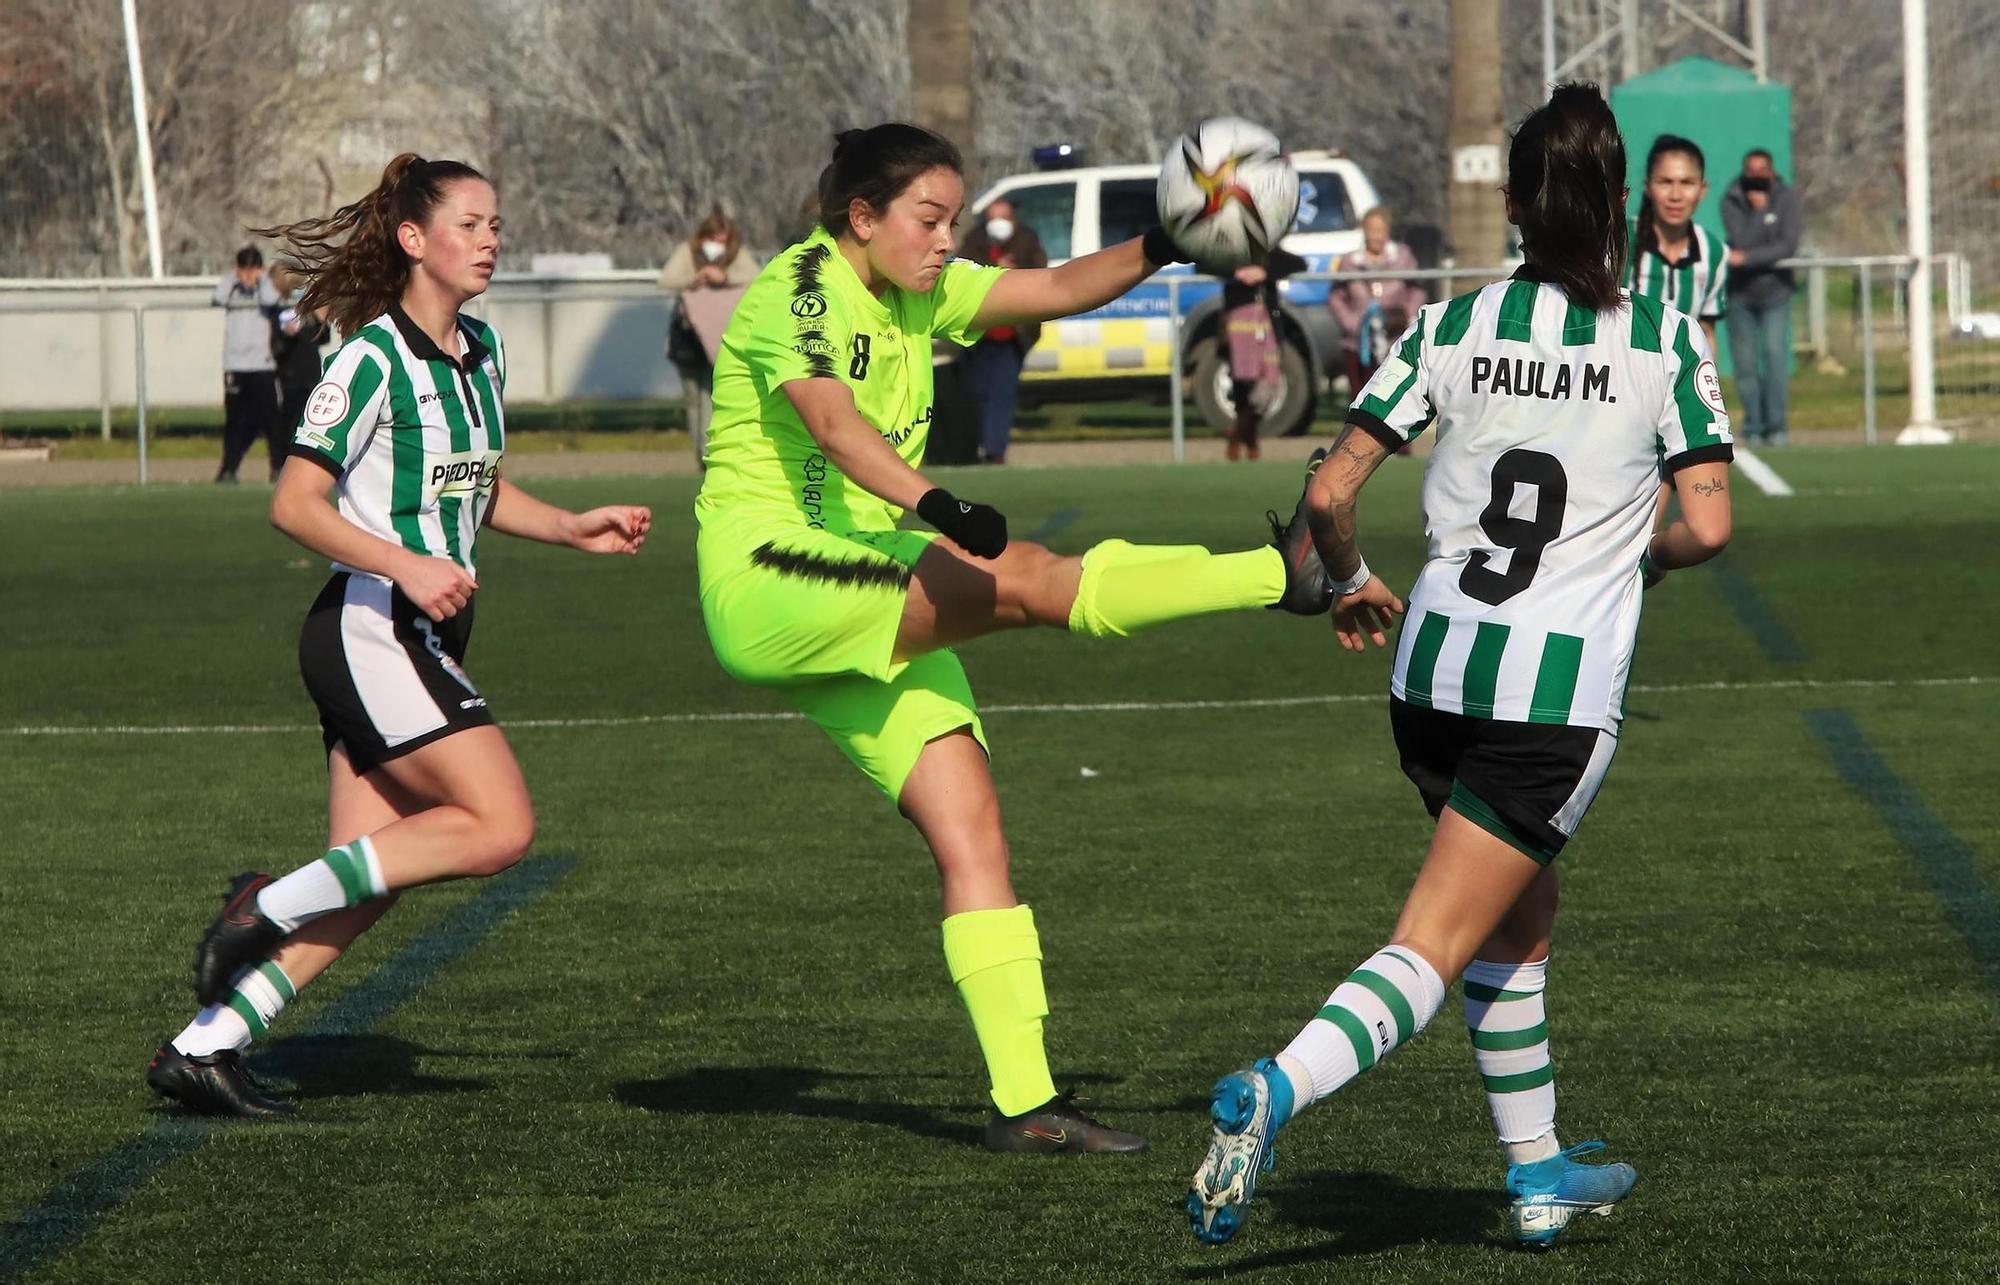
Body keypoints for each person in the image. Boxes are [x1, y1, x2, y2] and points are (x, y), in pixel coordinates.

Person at [695, 122, 1336, 1155]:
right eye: (928, 219)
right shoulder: (802, 290)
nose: (947, 239)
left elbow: (1046, 291)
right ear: (861, 217)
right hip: (773, 577)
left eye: (953, 219)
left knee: (973, 831)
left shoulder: (914, 284)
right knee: (1031, 580)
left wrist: (1162, 243)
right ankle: (1281, 576)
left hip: (863, 577)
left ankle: (1025, 1103)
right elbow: (831, 426)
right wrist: (936, 501)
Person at [1188, 83, 1734, 1248]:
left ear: (1517, 207)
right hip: (1551, 697)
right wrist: (1628, 552)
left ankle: (1537, 1174)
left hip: (1427, 675)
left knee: (1516, 917)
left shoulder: (1447, 325)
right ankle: (1273, 1089)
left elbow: (1328, 491)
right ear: (1619, 203)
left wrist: (1347, 579)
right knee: (1434, 939)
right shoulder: (1660, 340)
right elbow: (1706, 522)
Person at [145, 153, 653, 1118]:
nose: (492, 241)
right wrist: (401, 563)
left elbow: (477, 483)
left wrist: (569, 523)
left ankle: (205, 1044)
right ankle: (263, 903)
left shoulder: (483, 352)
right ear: (415, 241)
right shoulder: (370, 355)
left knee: (374, 874)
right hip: (372, 629)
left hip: (424, 634)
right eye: (471, 224)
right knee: (502, 826)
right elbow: (295, 503)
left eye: (497, 224)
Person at [659, 212, 761, 466]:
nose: (717, 243)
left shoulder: (736, 254)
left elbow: (756, 277)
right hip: (689, 337)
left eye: (722, 238)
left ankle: (708, 453)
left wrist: (724, 279)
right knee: (692, 398)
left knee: (711, 396)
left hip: (721, 336)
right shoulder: (687, 253)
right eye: (712, 237)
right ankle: (698, 452)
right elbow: (666, 279)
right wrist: (696, 278)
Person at [954, 198, 1049, 463]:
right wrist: (995, 269)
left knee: (1002, 393)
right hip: (979, 333)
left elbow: (1040, 271)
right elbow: (963, 268)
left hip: (1013, 334)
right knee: (977, 392)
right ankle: (975, 446)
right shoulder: (976, 240)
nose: (999, 223)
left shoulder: (1027, 239)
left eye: (1003, 217)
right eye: (994, 217)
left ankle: (995, 450)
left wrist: (1014, 272)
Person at [1720, 148, 1802, 445]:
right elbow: (1738, 241)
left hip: (1775, 293)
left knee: (1775, 357)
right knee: (1745, 366)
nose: (1756, 177)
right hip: (1740, 295)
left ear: (1772, 172)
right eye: (1750, 171)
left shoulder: (1786, 198)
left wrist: (1749, 257)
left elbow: (1787, 245)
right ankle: (1754, 426)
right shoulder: (1732, 198)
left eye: (1761, 170)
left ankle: (1776, 426)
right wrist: (1759, 213)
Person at [1631, 135, 1727, 353]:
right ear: (1647, 187)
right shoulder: (1619, 240)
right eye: (1665, 182)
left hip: (1677, 383)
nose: (1675, 195)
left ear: (1703, 190)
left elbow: (1706, 333)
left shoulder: (1713, 252)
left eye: (1687, 183)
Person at [1216, 247, 1307, 459]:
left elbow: (1298, 263)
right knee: (1243, 383)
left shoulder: (1268, 249)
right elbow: (1205, 265)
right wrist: (1236, 273)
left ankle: (1238, 432)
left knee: (1270, 383)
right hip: (1238, 325)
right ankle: (1250, 439)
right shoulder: (1228, 249)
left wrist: (1264, 272)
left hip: (1267, 326)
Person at [1328, 207, 1426, 401]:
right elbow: (1336, 296)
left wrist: (1407, 316)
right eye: (1371, 230)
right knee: (1360, 396)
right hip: (1358, 341)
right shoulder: (1349, 262)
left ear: (1387, 231)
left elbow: (1416, 289)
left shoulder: (1402, 257)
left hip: (1395, 336)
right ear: (1364, 231)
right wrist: (1352, 323)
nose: (1376, 236)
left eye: (1380, 230)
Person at [212, 246, 282, 483]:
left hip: (261, 366)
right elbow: (217, 297)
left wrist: (261, 279)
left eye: (253, 270)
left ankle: (278, 468)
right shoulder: (231, 289)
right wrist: (234, 277)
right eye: (244, 270)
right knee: (234, 420)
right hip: (235, 365)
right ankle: (229, 469)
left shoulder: (264, 291)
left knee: (271, 420)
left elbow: (273, 299)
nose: (248, 276)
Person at [270, 266, 332, 468]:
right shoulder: (279, 309)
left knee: (310, 423)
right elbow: (279, 343)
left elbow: (323, 337)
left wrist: (321, 320)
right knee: (288, 422)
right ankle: (282, 465)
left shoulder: (308, 309)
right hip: (290, 374)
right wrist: (288, 334)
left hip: (310, 372)